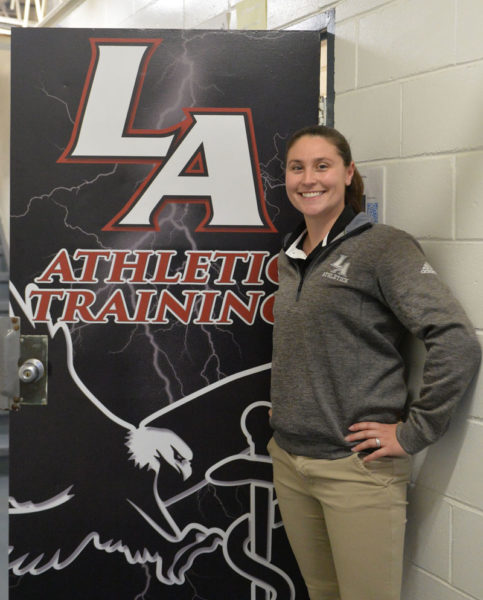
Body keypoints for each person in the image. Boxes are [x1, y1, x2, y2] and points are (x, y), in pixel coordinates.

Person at [267, 125, 481, 600]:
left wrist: (414, 431)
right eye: (297, 168)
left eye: (322, 166)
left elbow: (457, 341)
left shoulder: (383, 246)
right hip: (290, 459)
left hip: (355, 469)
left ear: (348, 173)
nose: (309, 179)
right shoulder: (291, 254)